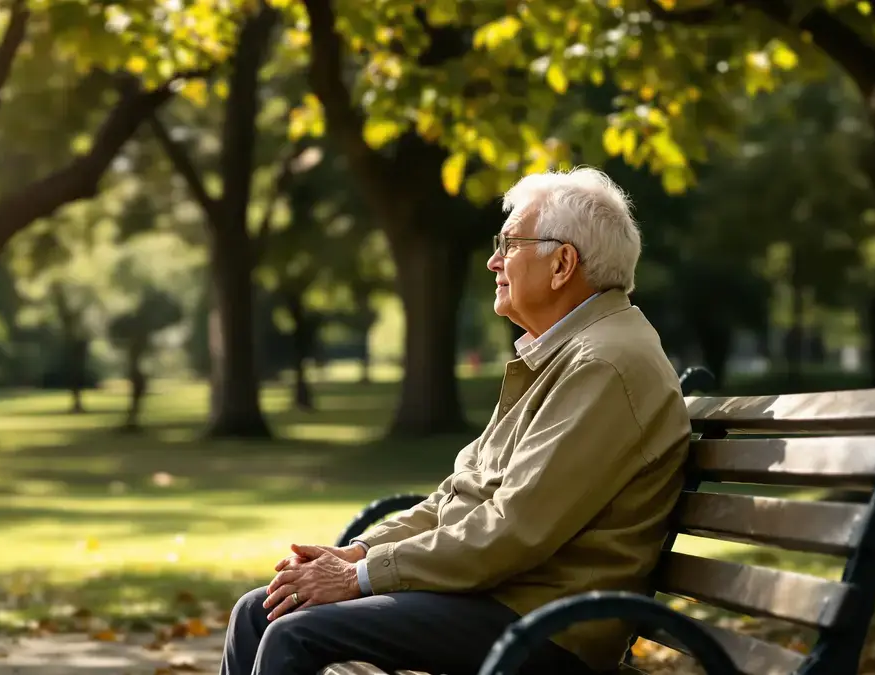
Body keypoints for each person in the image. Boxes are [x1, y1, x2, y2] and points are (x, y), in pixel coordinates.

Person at [219, 167, 692, 675]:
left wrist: (359, 577)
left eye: (509, 245)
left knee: (297, 631)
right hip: (500, 597)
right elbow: (456, 499)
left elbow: (511, 530)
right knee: (261, 610)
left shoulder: (603, 364)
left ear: (562, 264)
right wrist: (355, 554)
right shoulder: (566, 355)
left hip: (545, 625)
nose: (493, 262)